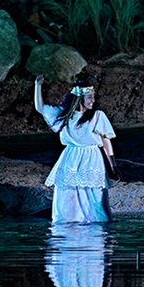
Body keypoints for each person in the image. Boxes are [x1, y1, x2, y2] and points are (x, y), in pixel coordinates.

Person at [35, 73, 117, 223]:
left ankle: (97, 226)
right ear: (80, 98)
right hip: (71, 156)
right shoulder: (65, 116)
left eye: (93, 96)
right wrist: (38, 86)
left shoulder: (97, 116)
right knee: (69, 192)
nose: (93, 100)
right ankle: (69, 225)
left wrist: (113, 165)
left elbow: (106, 140)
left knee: (95, 194)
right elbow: (41, 108)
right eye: (90, 97)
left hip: (92, 157)